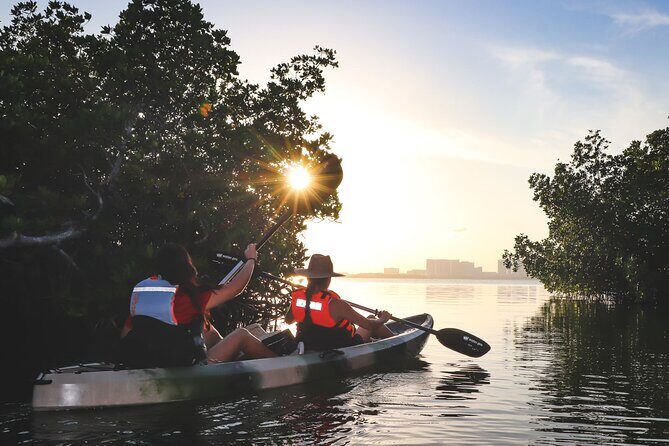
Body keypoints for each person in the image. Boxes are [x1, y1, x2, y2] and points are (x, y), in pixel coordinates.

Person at [120, 243, 276, 368]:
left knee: (204, 327)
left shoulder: (145, 298)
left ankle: (235, 356)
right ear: (186, 267)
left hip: (151, 362)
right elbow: (235, 288)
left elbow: (125, 334)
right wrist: (251, 260)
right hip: (189, 370)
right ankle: (283, 364)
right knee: (242, 335)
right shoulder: (188, 297)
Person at [285, 254, 395, 351]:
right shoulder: (336, 304)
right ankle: (399, 341)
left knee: (371, 317)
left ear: (308, 278)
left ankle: (381, 341)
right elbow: (369, 326)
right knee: (373, 321)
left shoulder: (298, 298)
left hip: (309, 345)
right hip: (342, 348)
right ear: (328, 279)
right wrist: (384, 318)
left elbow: (288, 320)